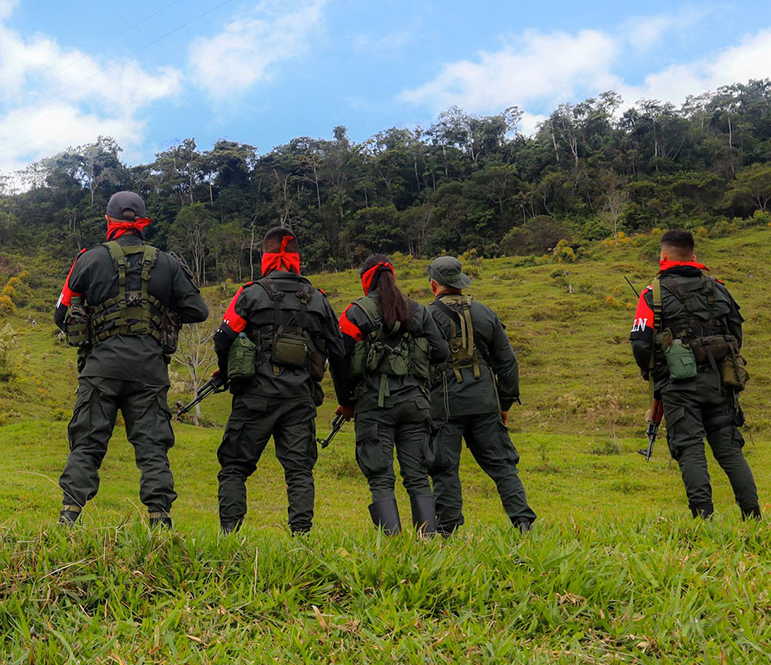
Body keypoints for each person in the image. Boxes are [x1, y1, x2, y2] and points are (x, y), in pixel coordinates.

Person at [53, 191, 209, 529]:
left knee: (87, 443)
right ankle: (160, 524)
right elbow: (198, 310)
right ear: (142, 223)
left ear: (109, 221)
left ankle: (69, 520)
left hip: (101, 368)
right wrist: (162, 307)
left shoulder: (89, 259)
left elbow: (60, 314)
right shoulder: (167, 262)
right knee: (153, 447)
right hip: (149, 369)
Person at [211, 228, 343, 535]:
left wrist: (227, 373)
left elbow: (223, 339)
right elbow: (339, 352)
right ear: (296, 259)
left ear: (266, 259)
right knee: (299, 471)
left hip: (255, 396)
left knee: (233, 467)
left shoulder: (250, 294)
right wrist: (347, 400)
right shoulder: (318, 300)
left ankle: (230, 536)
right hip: (300, 398)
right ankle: (301, 539)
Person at [630, 230, 760, 520]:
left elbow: (640, 343)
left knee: (689, 448)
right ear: (694, 256)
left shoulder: (653, 293)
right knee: (729, 449)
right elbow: (736, 335)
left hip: (678, 385)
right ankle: (753, 517)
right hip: (720, 382)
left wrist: (652, 374)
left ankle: (704, 520)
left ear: (662, 256)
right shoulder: (720, 288)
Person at [334, 255, 449, 536]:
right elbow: (442, 352)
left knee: (380, 478)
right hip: (416, 404)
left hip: (373, 406)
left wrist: (346, 402)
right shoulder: (418, 310)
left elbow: (339, 360)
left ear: (365, 279)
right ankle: (427, 540)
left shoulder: (354, 313)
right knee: (418, 476)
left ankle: (393, 544)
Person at [424, 256, 535, 534]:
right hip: (486, 402)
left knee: (444, 469)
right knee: (503, 466)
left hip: (444, 405)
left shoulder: (425, 317)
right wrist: (504, 402)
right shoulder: (486, 313)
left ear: (433, 284)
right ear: (461, 282)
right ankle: (523, 524)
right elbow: (507, 363)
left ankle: (446, 530)